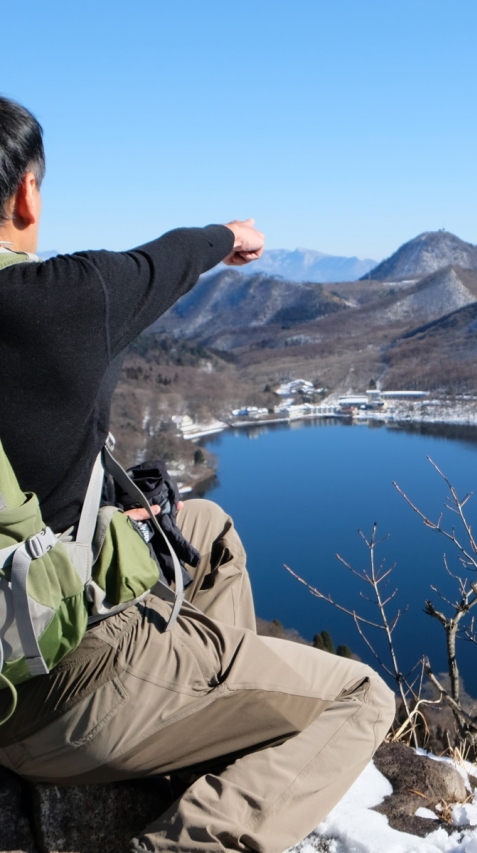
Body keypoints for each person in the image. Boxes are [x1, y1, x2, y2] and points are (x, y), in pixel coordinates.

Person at [0, 95, 394, 853]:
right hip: (68, 697)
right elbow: (165, 261)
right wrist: (231, 236)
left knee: (206, 529)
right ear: (26, 193)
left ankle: (208, 732)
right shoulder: (63, 300)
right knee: (361, 695)